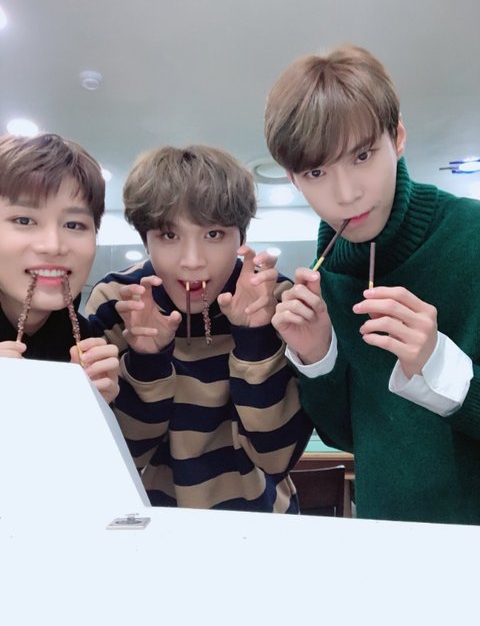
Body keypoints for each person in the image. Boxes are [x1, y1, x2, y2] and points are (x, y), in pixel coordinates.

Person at [264, 45, 480, 525]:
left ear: (397, 137)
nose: (346, 194)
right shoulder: (325, 280)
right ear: (294, 179)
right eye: (316, 172)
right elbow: (347, 437)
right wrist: (318, 357)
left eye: (363, 155)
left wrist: (439, 365)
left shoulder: (472, 236)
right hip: (384, 540)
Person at [86, 144, 313, 511]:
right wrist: (146, 361)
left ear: (241, 237)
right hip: (151, 525)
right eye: (168, 235)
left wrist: (255, 340)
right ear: (146, 240)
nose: (192, 262)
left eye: (214, 234)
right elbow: (121, 456)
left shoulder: (272, 298)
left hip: (261, 522)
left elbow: (277, 457)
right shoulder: (120, 301)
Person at [0, 132, 119, 404]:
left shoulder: (86, 342)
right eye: (24, 220)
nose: (53, 246)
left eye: (73, 225)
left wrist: (94, 408)